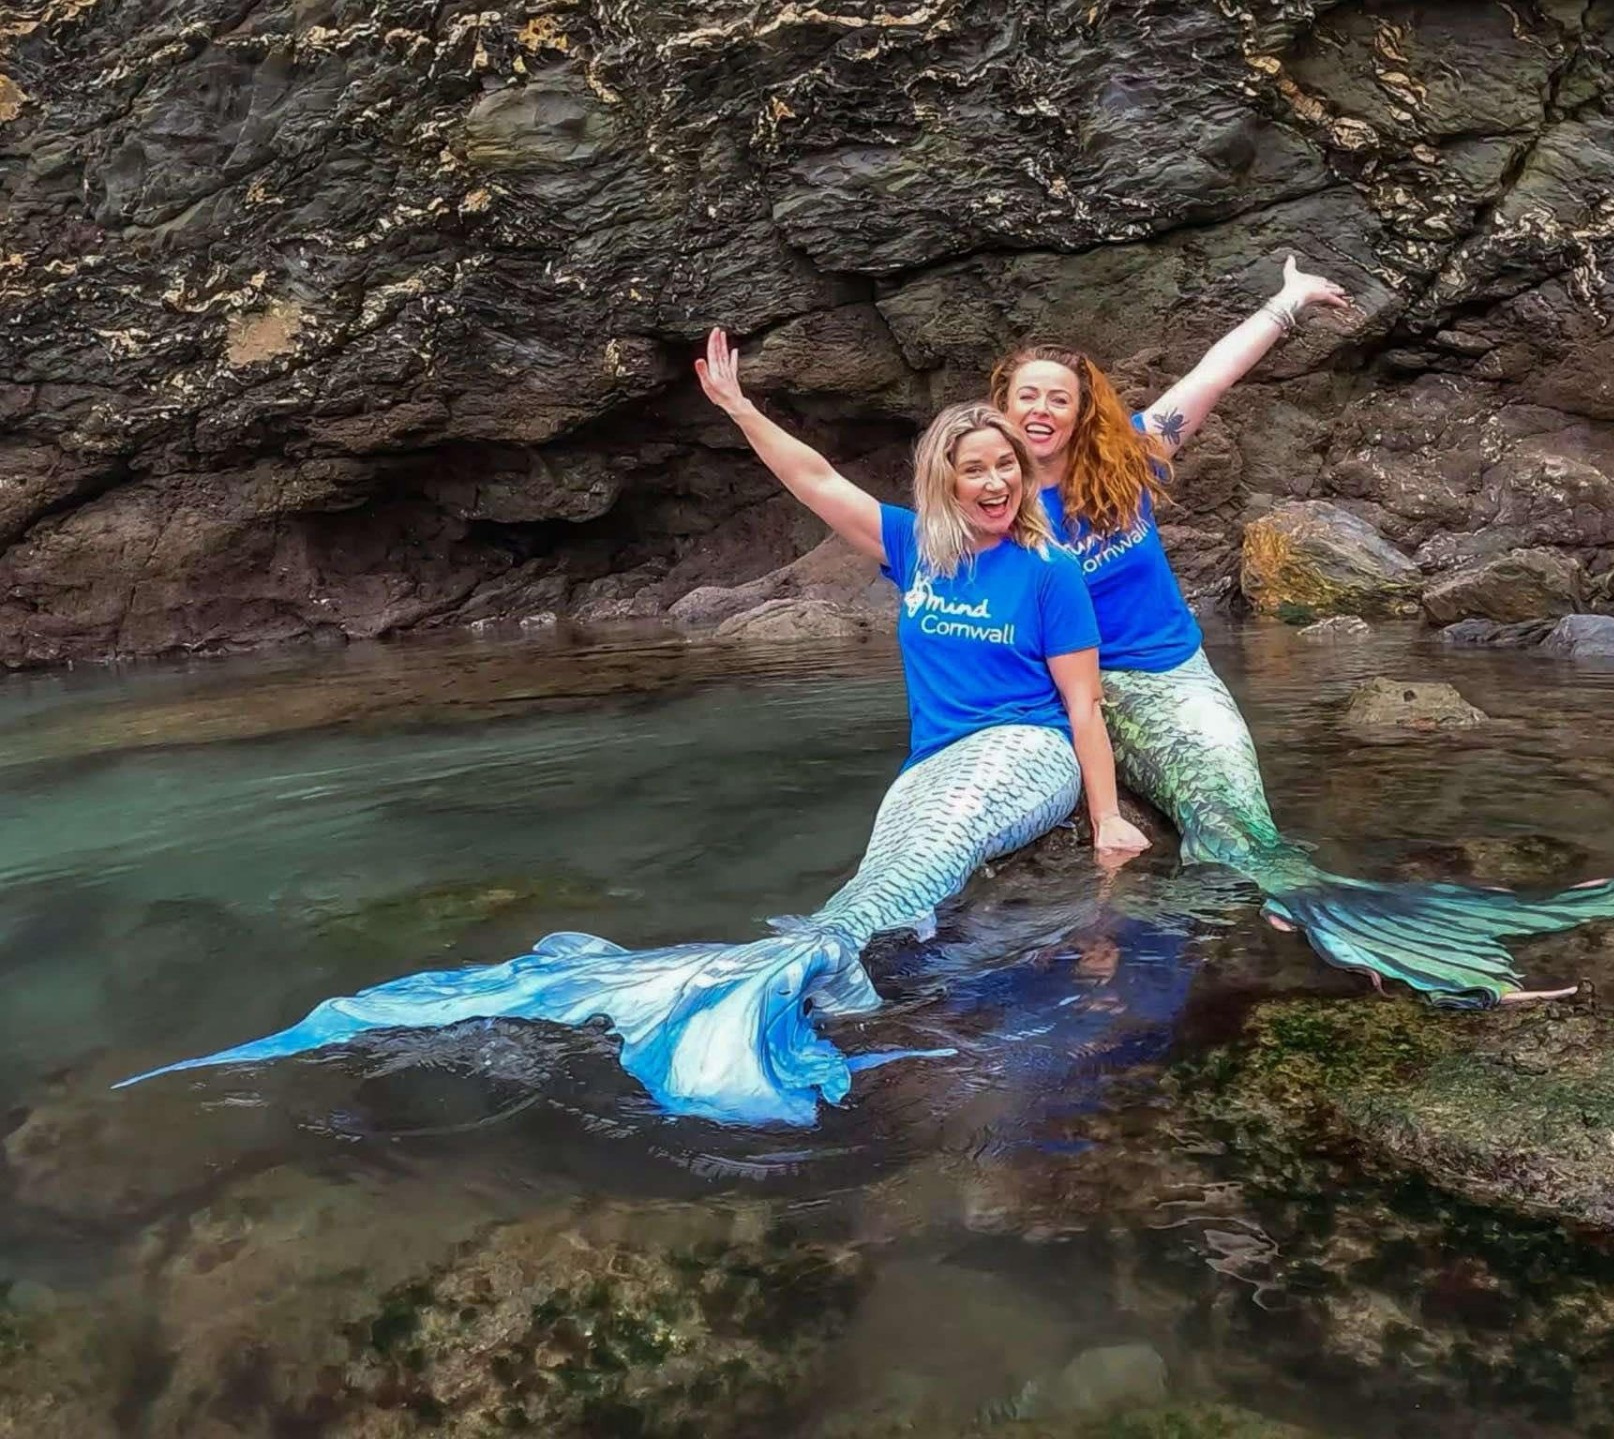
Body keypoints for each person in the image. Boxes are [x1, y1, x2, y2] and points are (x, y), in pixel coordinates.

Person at [118, 333, 1150, 1126]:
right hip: (936, 761)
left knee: (936, 854)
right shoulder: (916, 550)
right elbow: (814, 479)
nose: (995, 481)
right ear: (945, 478)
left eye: (1007, 466)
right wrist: (740, 405)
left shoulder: (1048, 569)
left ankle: (790, 982)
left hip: (1027, 755)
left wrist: (1105, 819)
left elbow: (1082, 703)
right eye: (975, 466)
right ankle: (792, 973)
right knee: (878, 884)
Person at [991, 260, 1614, 1007]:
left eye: (1057, 395)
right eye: (1025, 395)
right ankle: (1332, 917)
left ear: (1081, 408)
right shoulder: (991, 510)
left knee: (1241, 816)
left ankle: (1310, 904)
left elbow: (1214, 373)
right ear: (1000, 409)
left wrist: (1289, 301)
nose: (1040, 409)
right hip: (1101, 686)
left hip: (1180, 668)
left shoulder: (1133, 456)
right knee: (1226, 822)